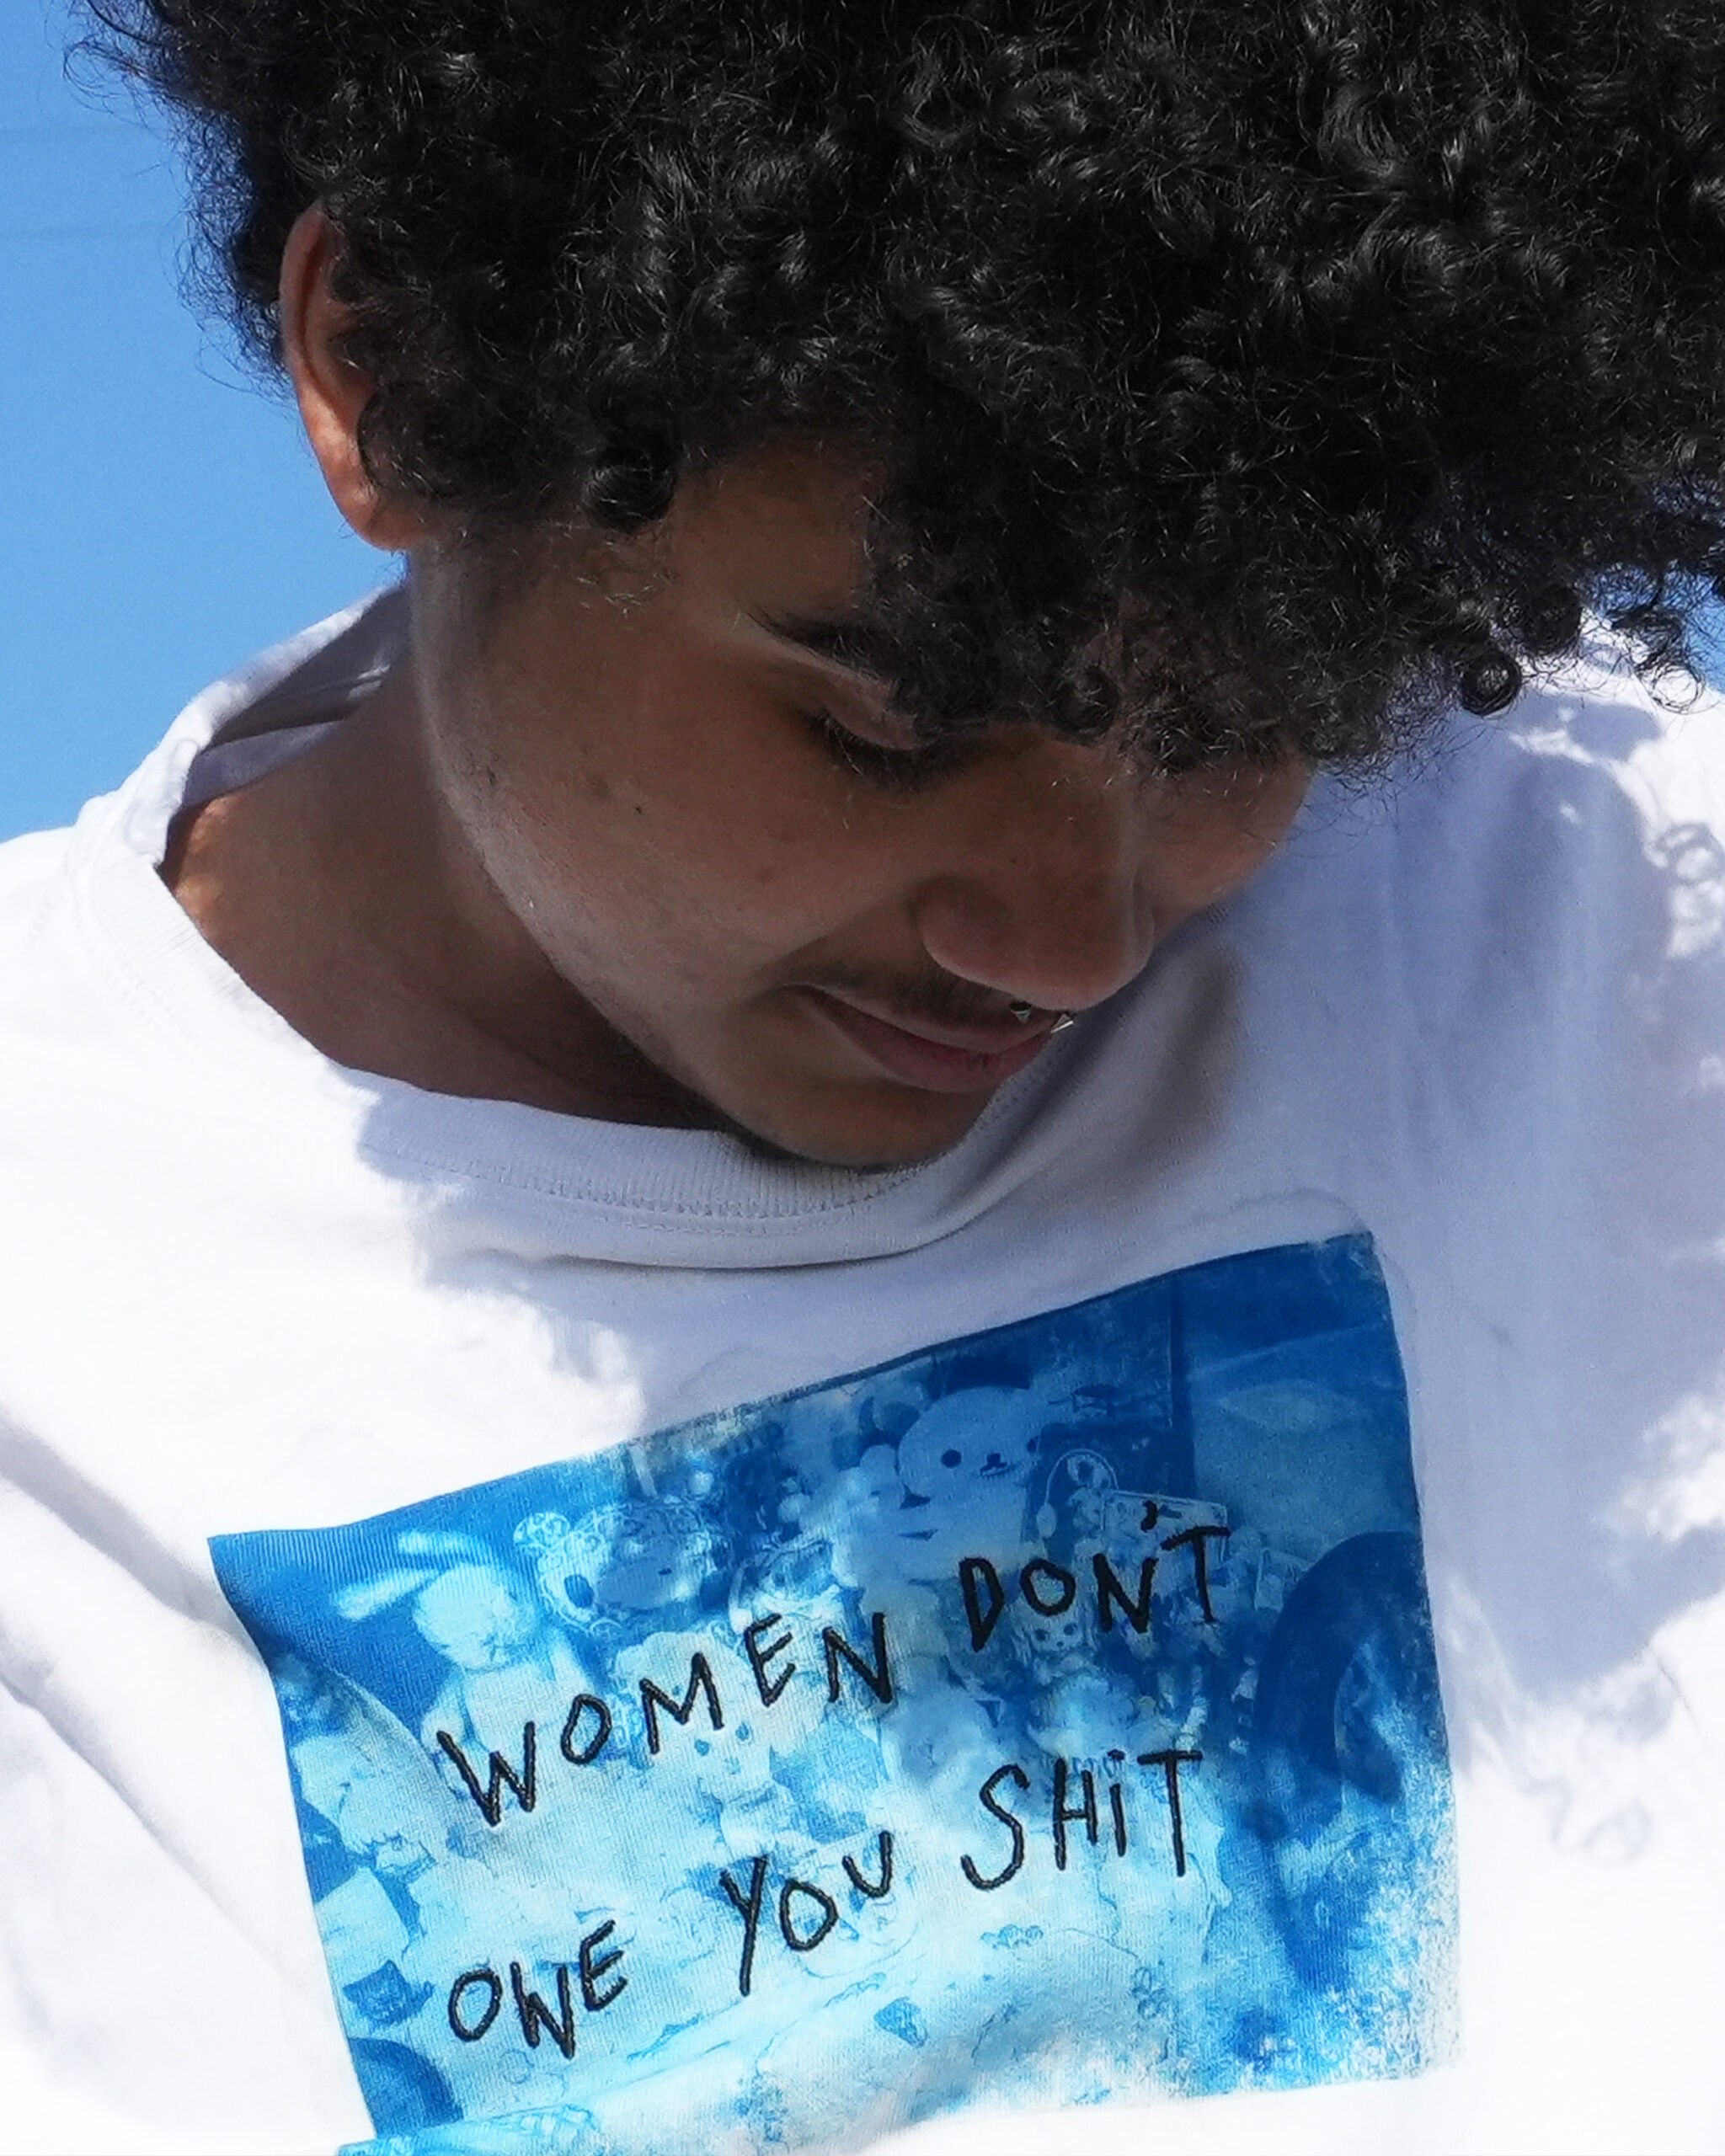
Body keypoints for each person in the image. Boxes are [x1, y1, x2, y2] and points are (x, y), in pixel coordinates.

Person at [4, 1, 1725, 2151]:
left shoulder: (1626, 898)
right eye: (891, 726)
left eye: (1247, 722)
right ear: (399, 374)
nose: (1075, 942)